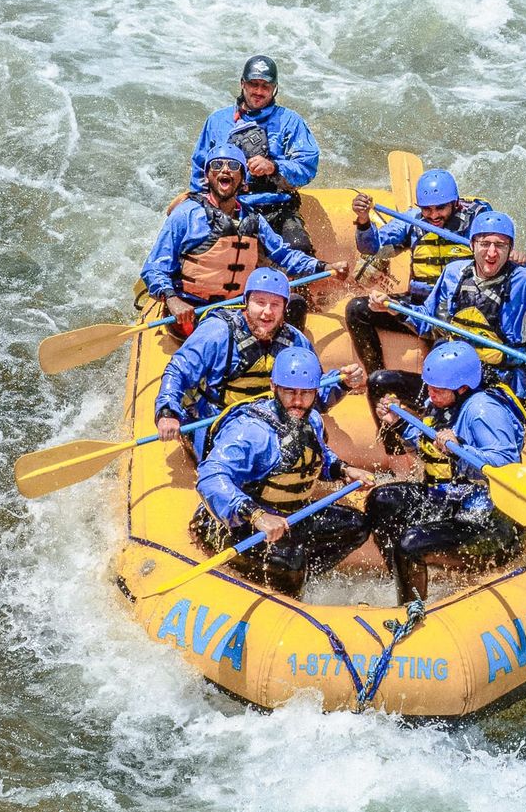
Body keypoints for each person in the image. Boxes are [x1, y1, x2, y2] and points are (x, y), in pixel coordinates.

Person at [192, 348, 375, 597]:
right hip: (239, 525)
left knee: (357, 525)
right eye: (290, 392)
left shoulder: (312, 420)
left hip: (290, 516)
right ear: (274, 387)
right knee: (291, 562)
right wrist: (256, 516)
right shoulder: (250, 431)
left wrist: (342, 470)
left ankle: (300, 577)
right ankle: (286, 583)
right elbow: (210, 476)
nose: (298, 402)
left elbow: (314, 457)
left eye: (306, 393)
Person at [364, 211, 526, 412]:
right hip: (452, 379)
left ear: (510, 249)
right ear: (472, 244)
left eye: (500, 245)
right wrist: (394, 309)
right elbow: (428, 320)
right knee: (379, 382)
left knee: (472, 417)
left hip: (499, 385)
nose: (491, 252)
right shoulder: (454, 273)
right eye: (485, 243)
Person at [367, 342, 526, 604]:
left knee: (409, 545)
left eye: (436, 389)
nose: (429, 393)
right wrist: (398, 425)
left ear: (462, 388)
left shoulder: (482, 411)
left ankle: (411, 609)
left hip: (487, 524)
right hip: (449, 503)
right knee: (381, 500)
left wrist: (461, 449)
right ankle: (404, 578)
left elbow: (506, 464)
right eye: (429, 385)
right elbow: (431, 449)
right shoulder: (442, 401)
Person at [155, 267, 365, 457]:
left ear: (285, 308)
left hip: (269, 420)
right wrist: (167, 412)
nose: (267, 312)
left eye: (275, 304)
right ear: (247, 302)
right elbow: (178, 371)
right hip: (219, 418)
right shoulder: (218, 332)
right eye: (260, 302)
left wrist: (341, 382)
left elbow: (311, 396)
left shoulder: (295, 341)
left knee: (312, 436)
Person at [142, 142, 343, 336]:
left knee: (295, 304)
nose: (225, 170)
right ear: (207, 176)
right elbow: (154, 267)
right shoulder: (186, 214)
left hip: (237, 307)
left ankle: (279, 360)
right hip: (192, 310)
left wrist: (323, 267)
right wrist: (171, 299)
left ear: (243, 181)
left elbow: (284, 255)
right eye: (217, 165)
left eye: (233, 166)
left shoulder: (252, 219)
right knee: (218, 332)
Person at [344, 168, 525, 377]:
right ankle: (377, 378)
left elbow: (498, 248)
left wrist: (515, 256)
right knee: (357, 310)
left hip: (458, 310)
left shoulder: (476, 221)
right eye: (427, 209)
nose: (433, 216)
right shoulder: (413, 220)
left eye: (440, 208)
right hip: (419, 305)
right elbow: (371, 247)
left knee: (446, 360)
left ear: (455, 203)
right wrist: (364, 221)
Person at [189, 55, 319, 254]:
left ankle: (297, 282)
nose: (259, 92)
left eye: (265, 86)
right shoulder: (217, 121)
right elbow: (200, 170)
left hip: (276, 208)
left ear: (274, 88)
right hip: (227, 208)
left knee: (298, 248)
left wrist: (274, 167)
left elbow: (307, 167)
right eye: (253, 84)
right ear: (243, 84)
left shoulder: (290, 121)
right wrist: (202, 209)